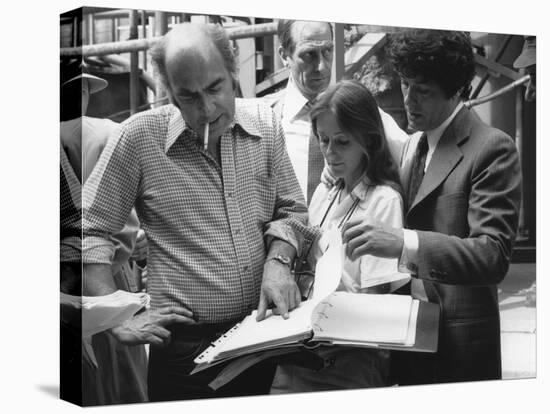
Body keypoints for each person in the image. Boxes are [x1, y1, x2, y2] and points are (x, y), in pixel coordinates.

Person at [82, 22, 314, 402]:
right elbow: (89, 231)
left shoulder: (267, 126)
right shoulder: (139, 138)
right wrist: (114, 315)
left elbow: (292, 210)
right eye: (188, 97)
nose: (206, 110)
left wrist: (279, 262)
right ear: (169, 94)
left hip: (261, 333)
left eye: (214, 88)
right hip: (182, 351)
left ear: (232, 72)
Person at [340, 29, 522, 384]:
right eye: (406, 85)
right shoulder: (413, 146)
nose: (409, 99)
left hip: (461, 348)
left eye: (423, 91)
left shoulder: (490, 148)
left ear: (455, 91)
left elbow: (493, 254)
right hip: (408, 341)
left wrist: (404, 242)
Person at [271, 79, 409, 393]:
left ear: (370, 141)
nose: (330, 153)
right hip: (301, 351)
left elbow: (377, 301)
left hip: (349, 361)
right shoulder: (325, 191)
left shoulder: (382, 201)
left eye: (342, 142)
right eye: (323, 140)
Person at [60, 60, 148, 405]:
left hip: (75, 280)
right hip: (109, 276)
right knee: (117, 377)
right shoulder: (104, 132)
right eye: (78, 89)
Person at [264, 19, 409, 203]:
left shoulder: (360, 113)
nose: (322, 67)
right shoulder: (266, 122)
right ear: (285, 56)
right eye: (309, 55)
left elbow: (410, 167)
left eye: (327, 51)